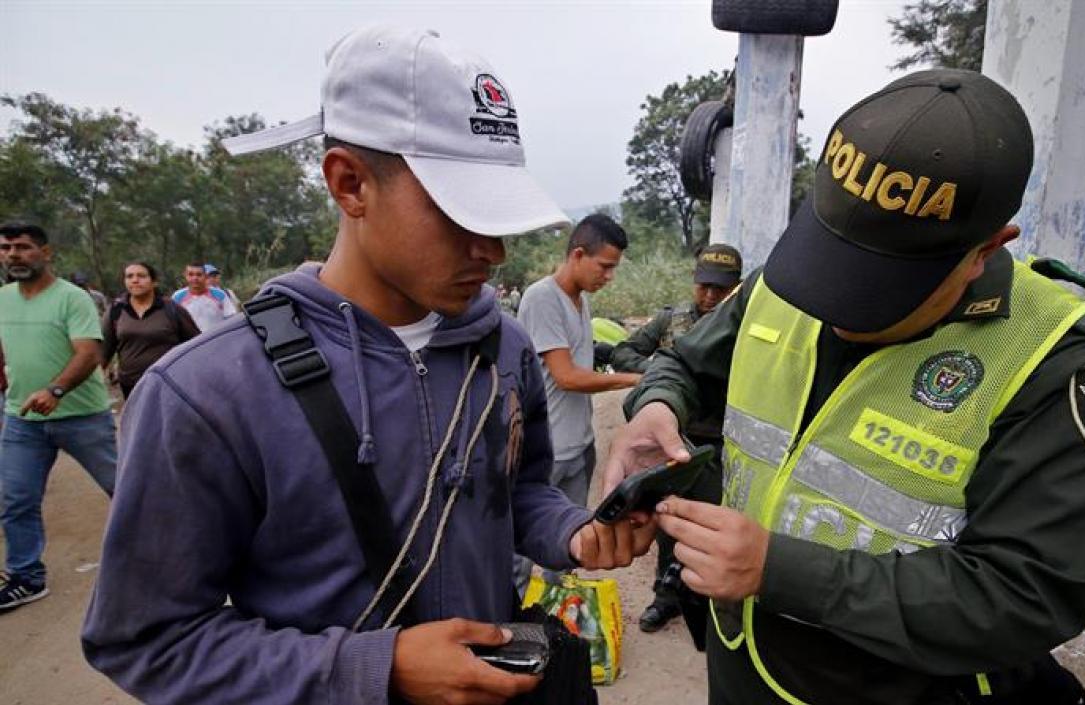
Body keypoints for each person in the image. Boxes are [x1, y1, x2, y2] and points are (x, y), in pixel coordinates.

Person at [81, 26, 653, 705]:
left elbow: (518, 492)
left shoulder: (503, 348)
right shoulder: (207, 392)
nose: (492, 251)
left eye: (499, 218)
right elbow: (148, 637)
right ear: (350, 183)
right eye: (461, 213)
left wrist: (574, 532)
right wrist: (370, 668)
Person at [606, 69, 1085, 705]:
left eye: (880, 285)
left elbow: (1030, 593)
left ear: (985, 250)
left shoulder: (1055, 357)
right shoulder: (785, 281)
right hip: (742, 668)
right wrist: (657, 406)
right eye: (834, 259)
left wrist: (781, 571)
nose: (837, 307)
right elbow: (686, 364)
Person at [610, 242, 743, 633]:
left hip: (725, 442)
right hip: (677, 440)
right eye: (704, 286)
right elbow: (623, 352)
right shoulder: (673, 319)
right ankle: (666, 598)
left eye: (720, 289)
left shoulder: (744, 327)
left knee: (716, 526)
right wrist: (659, 371)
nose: (710, 295)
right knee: (670, 519)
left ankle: (708, 604)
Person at [0, 222, 117, 612]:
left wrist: (55, 390)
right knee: (16, 499)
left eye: (22, 247)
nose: (13, 254)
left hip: (82, 416)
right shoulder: (3, 298)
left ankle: (173, 555)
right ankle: (26, 577)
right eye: (5, 248)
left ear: (46, 253)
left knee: (125, 488)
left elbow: (88, 353)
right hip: (21, 420)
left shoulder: (72, 298)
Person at [517, 214, 642, 510]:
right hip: (549, 449)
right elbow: (567, 377)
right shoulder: (542, 298)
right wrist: (633, 379)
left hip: (579, 443)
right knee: (523, 548)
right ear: (578, 255)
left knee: (568, 541)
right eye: (605, 266)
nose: (609, 276)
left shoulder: (580, 299)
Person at [101, 261, 200, 398]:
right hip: (131, 385)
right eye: (130, 276)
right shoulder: (116, 310)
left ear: (154, 282)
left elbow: (195, 345)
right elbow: (104, 351)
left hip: (169, 383)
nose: (135, 280)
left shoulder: (171, 309)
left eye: (141, 276)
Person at [171, 262, 237, 332]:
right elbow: (173, 323)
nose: (195, 278)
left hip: (218, 339)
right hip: (192, 342)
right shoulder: (177, 297)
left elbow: (231, 319)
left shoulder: (220, 294)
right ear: (185, 276)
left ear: (205, 276)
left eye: (199, 275)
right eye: (190, 274)